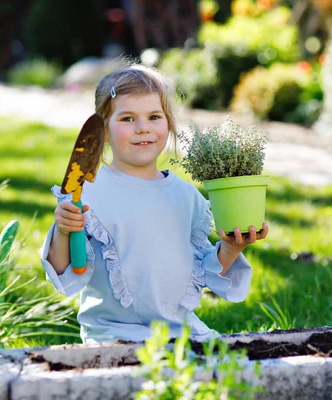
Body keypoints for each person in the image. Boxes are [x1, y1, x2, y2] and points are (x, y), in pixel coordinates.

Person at [40, 64, 269, 343]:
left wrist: (232, 248)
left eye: (154, 116)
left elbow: (202, 272)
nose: (143, 128)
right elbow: (66, 274)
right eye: (127, 119)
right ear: (104, 131)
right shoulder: (88, 195)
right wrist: (64, 231)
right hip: (114, 334)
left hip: (179, 332)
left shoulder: (186, 197)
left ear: (169, 124)